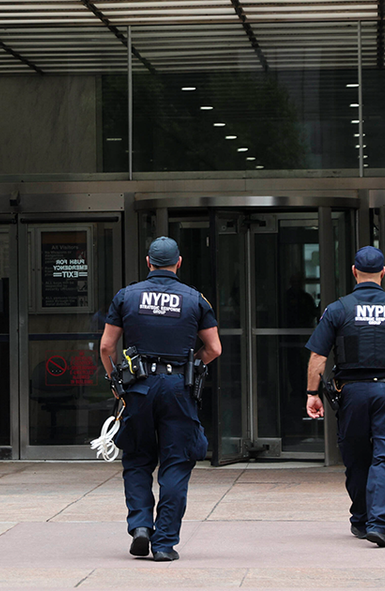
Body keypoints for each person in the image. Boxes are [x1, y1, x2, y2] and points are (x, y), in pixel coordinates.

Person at [99, 236, 222, 562]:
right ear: (178, 263)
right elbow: (214, 349)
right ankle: (164, 543)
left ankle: (140, 526)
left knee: (138, 458)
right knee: (176, 463)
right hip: (178, 388)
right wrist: (191, 367)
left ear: (148, 262)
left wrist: (115, 381)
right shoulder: (195, 299)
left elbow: (106, 347)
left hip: (138, 387)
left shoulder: (127, 296)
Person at [304, 246, 385, 548]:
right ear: (384, 273)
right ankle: (378, 523)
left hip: (351, 393)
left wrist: (313, 393)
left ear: (353, 272)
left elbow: (318, 357)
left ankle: (362, 520)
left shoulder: (338, 309)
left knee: (356, 458)